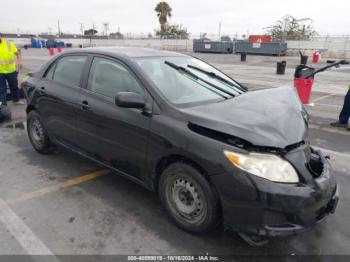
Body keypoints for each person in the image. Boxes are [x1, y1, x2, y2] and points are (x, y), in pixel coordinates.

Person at [0, 32, 24, 121]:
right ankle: (3, 106)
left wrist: (20, 62)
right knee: (1, 89)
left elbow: (18, 54)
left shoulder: (9, 44)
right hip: (0, 72)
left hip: (11, 70)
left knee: (14, 86)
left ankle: (16, 100)